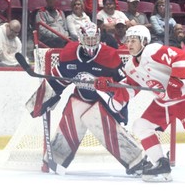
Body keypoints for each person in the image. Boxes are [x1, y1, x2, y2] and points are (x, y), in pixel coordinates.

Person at [93, 25, 185, 185]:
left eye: (133, 40)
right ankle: (161, 165)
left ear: (143, 41)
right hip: (164, 103)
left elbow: (180, 56)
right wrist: (110, 86)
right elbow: (130, 89)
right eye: (128, 41)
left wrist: (175, 81)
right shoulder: (130, 66)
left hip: (184, 97)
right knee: (141, 126)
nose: (129, 44)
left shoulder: (153, 51)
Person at [26, 22, 144, 175]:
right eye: (87, 39)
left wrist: (110, 87)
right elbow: (58, 79)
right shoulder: (69, 54)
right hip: (81, 96)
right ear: (80, 38)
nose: (91, 42)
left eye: (94, 39)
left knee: (95, 117)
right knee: (74, 109)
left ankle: (136, 160)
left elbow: (123, 86)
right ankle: (55, 158)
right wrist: (40, 100)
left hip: (105, 102)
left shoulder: (110, 56)